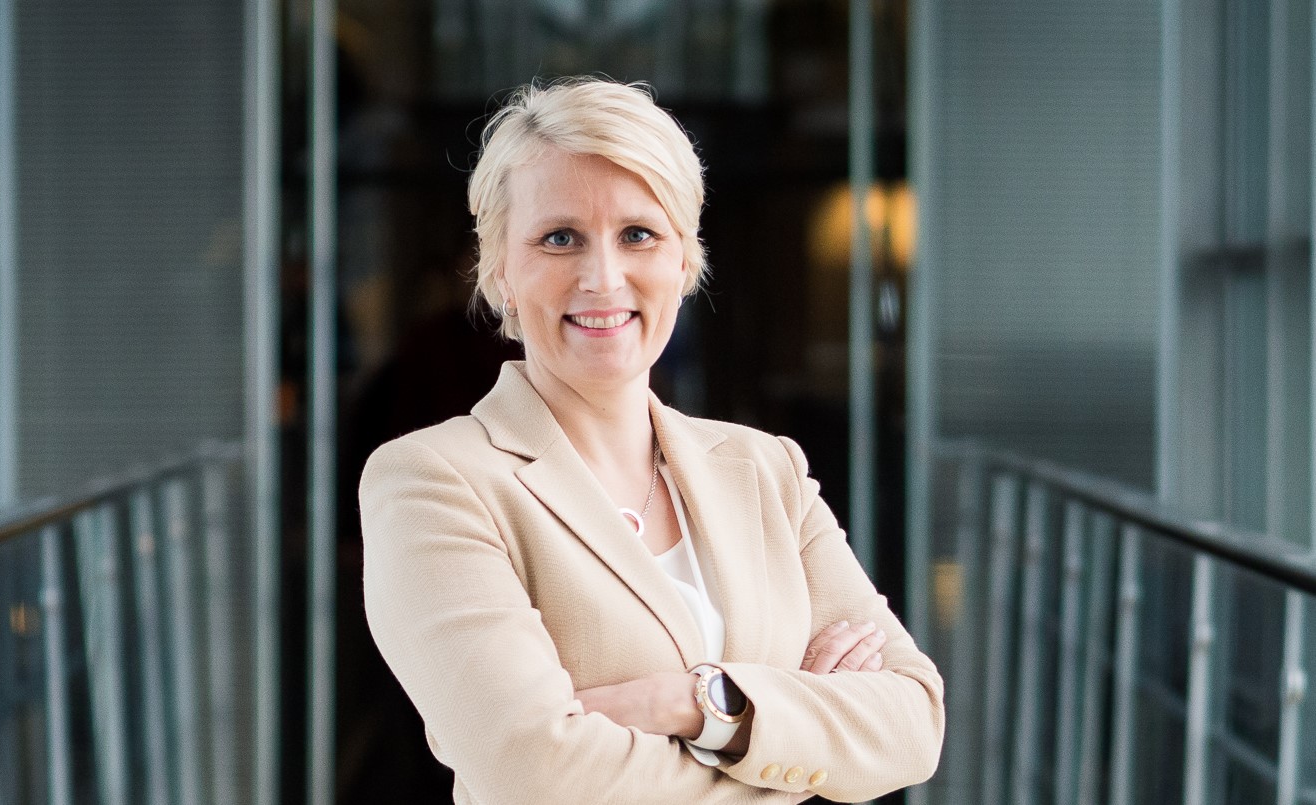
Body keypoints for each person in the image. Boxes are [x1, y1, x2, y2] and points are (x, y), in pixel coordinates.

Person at [359, 77, 944, 804]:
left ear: (684, 262)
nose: (603, 278)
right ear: (500, 269)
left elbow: (913, 723)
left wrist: (697, 704)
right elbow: (536, 776)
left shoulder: (766, 469)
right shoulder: (433, 481)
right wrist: (795, 745)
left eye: (638, 234)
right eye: (559, 238)